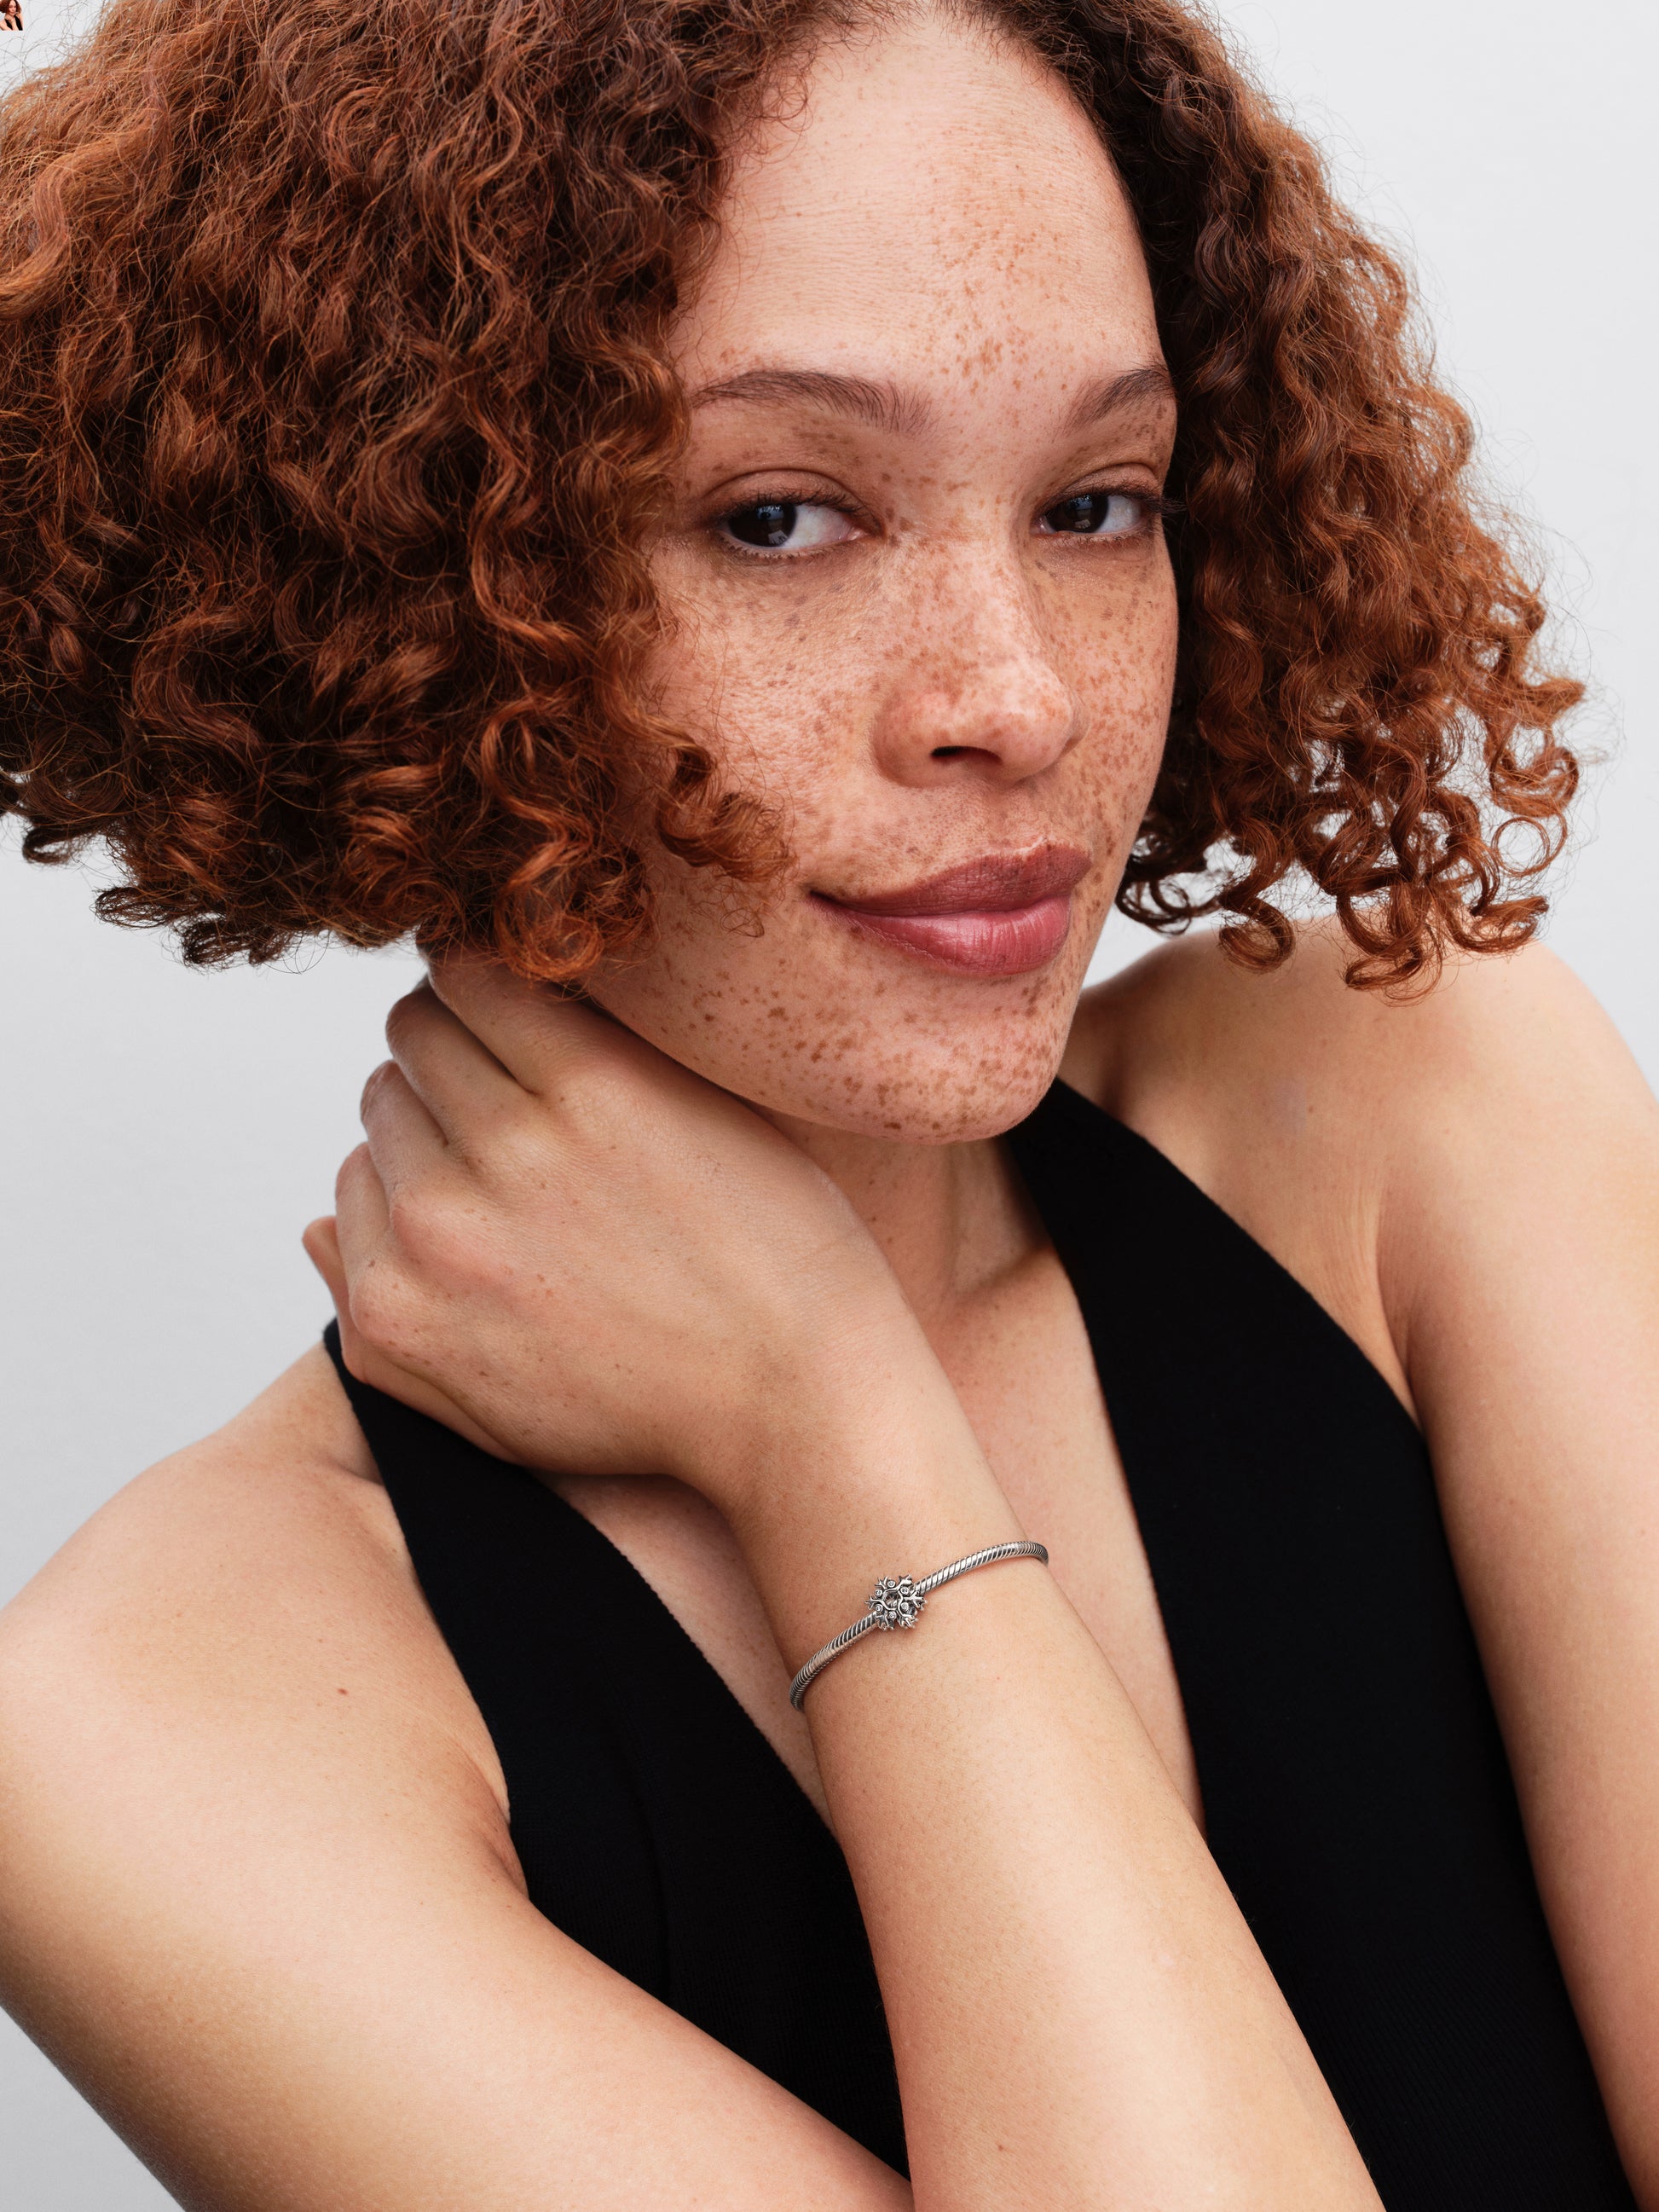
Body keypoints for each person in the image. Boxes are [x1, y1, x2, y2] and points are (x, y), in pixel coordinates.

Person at [1, 0, 1656, 2204]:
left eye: (1096, 502)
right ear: (387, 574)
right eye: (777, 515)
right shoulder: (152, 1724)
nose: (1018, 697)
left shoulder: (1407, 1094)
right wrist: (836, 1450)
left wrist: (823, 1404)